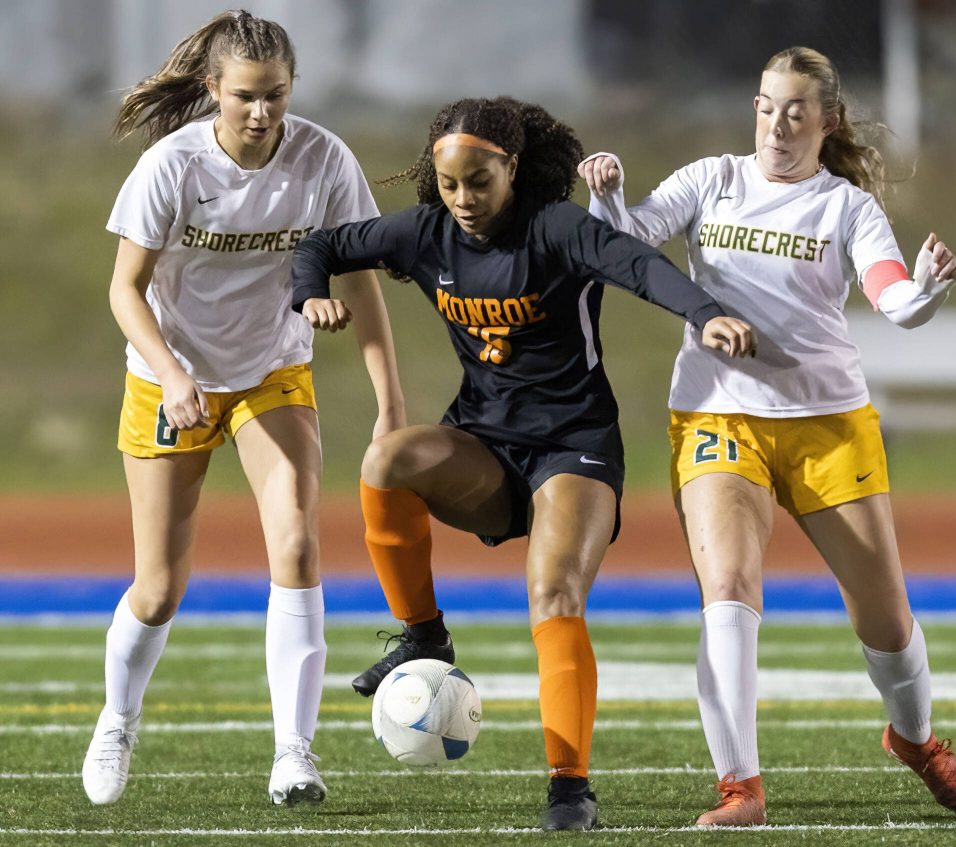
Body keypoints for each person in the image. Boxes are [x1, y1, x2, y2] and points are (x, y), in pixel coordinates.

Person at [291, 96, 756, 830]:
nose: (464, 200)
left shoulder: (556, 227)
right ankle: (422, 633)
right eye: (449, 184)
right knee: (386, 459)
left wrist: (704, 313)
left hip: (574, 446)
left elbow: (636, 264)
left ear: (512, 167)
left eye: (480, 181)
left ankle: (570, 788)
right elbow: (320, 246)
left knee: (554, 596)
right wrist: (308, 294)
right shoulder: (426, 235)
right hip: (484, 444)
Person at [579, 46, 956, 826]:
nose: (777, 122)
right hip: (717, 413)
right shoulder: (711, 180)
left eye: (796, 109)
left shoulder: (845, 208)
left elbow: (894, 301)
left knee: (887, 617)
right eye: (766, 105)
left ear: (826, 120)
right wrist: (610, 197)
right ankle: (741, 787)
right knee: (728, 586)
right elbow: (627, 248)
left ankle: (915, 737)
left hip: (827, 422)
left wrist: (929, 288)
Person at [82, 9, 404, 808]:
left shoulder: (324, 159)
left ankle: (294, 752)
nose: (263, 115)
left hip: (272, 371)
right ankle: (118, 718)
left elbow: (361, 278)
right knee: (158, 585)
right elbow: (125, 289)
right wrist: (173, 375)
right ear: (213, 91)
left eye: (278, 96)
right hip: (172, 380)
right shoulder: (171, 166)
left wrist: (390, 400)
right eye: (246, 99)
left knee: (296, 543)